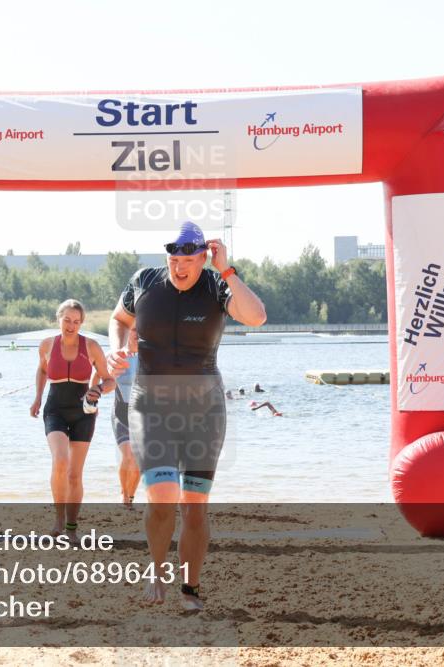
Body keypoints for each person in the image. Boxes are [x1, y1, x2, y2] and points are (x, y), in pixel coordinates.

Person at [106, 221, 267, 611]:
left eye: (188, 262)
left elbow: (256, 317)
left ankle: (190, 587)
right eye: (173, 261)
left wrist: (227, 269)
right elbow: (119, 319)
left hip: (203, 411)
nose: (179, 268)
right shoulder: (145, 281)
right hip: (151, 407)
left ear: (203, 259)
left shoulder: (216, 286)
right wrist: (115, 349)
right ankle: (157, 571)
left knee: (194, 504)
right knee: (162, 496)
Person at [31, 299, 115, 537]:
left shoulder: (91, 347)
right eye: (67, 320)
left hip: (83, 413)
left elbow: (110, 380)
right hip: (55, 410)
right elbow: (43, 370)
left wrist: (98, 389)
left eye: (76, 322)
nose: (71, 325)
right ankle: (58, 520)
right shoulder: (47, 345)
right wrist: (37, 398)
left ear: (81, 323)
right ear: (58, 319)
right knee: (60, 460)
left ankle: (71, 527)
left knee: (74, 474)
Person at [111, 327, 141, 508]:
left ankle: (130, 496)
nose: (138, 333)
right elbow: (99, 375)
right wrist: (92, 398)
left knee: (137, 460)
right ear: (127, 332)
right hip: (120, 413)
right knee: (128, 455)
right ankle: (123, 494)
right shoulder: (118, 355)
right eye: (135, 329)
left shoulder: (149, 357)